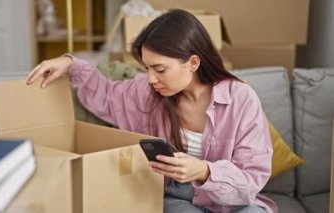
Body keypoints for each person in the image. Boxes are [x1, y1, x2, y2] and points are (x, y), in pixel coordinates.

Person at [26, 9, 277, 213]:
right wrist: (70, 63)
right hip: (177, 197)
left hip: (233, 201)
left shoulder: (241, 99)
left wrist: (204, 170)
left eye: (159, 69)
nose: (150, 79)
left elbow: (252, 179)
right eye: (146, 68)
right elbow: (105, 95)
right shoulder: (147, 94)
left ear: (192, 63)